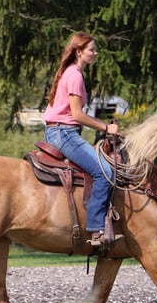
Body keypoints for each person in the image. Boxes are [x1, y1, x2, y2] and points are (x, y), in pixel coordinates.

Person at [42, 32, 123, 247]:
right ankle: (96, 228)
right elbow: (77, 115)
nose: (95, 53)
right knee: (105, 172)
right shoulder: (75, 75)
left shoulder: (68, 72)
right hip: (64, 133)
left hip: (59, 131)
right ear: (79, 51)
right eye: (91, 50)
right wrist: (107, 127)